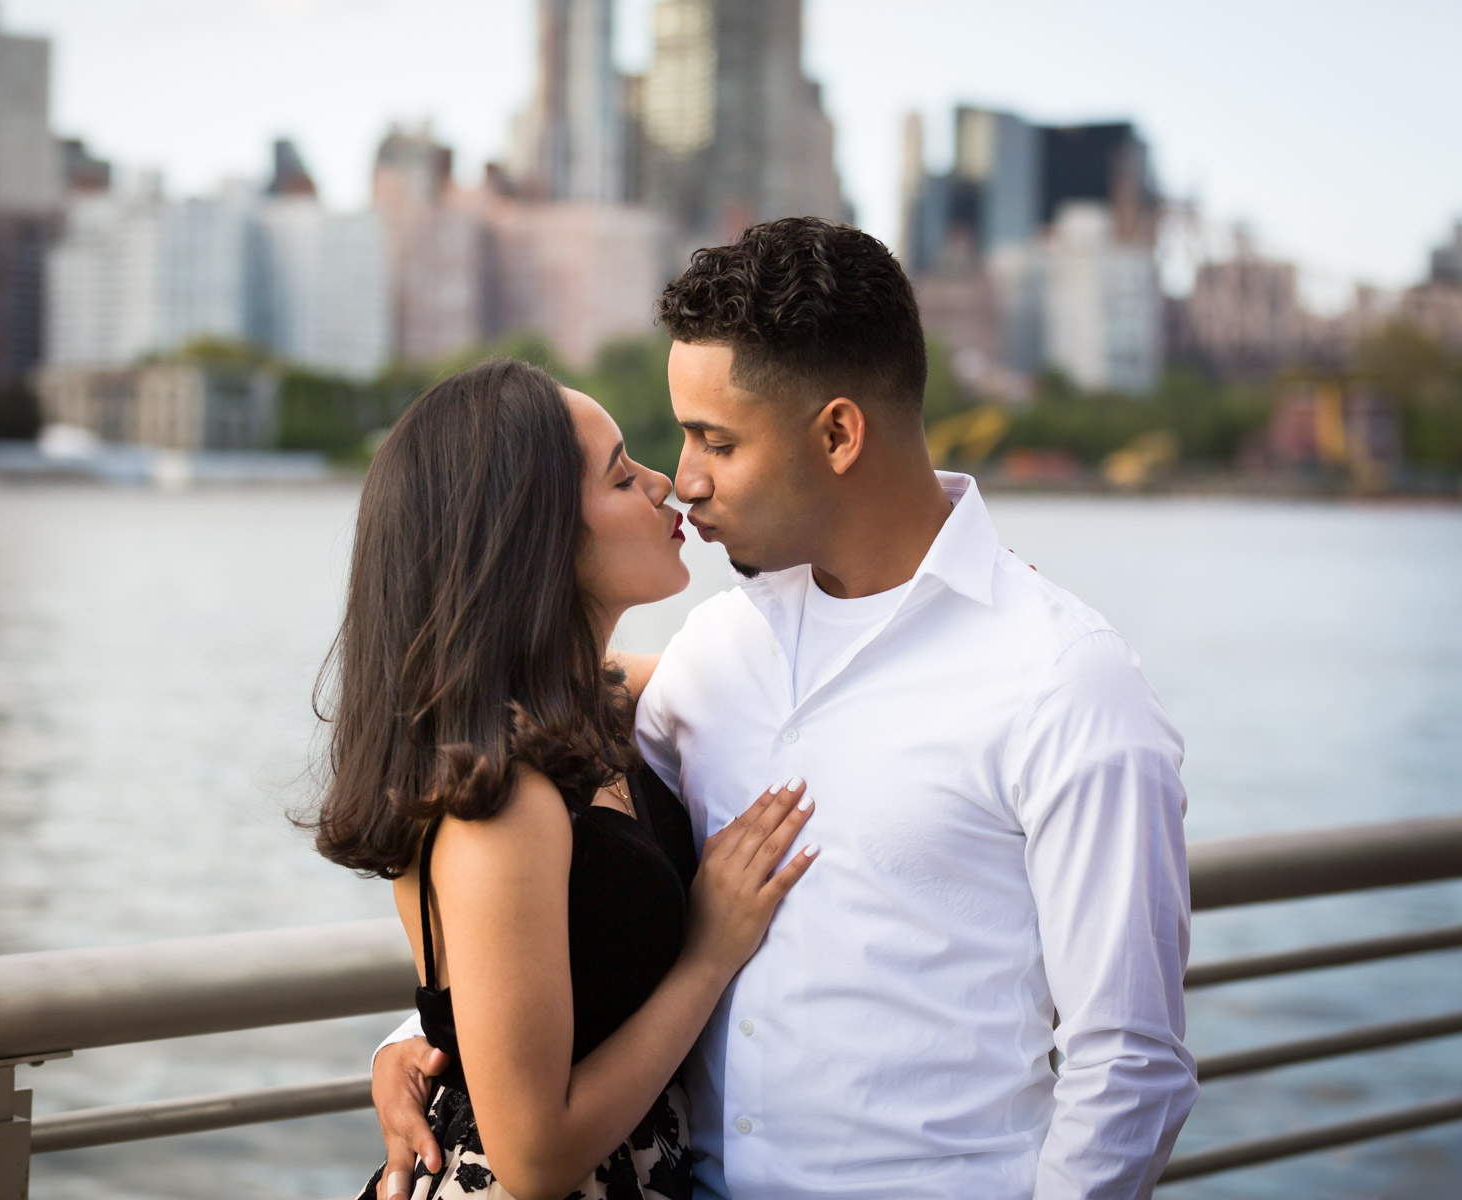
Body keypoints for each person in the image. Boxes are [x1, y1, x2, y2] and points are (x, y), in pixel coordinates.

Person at [372, 218, 1198, 1199]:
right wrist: (428, 1037)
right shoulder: (717, 653)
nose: (684, 479)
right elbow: (539, 842)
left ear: (840, 433)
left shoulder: (1062, 679)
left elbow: (1129, 1066)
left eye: (716, 440)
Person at [308, 359, 821, 1200]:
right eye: (623, 475)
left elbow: (784, 671)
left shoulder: (593, 706)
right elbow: (535, 1159)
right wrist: (708, 951)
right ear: (533, 537)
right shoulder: (502, 805)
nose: (667, 485)